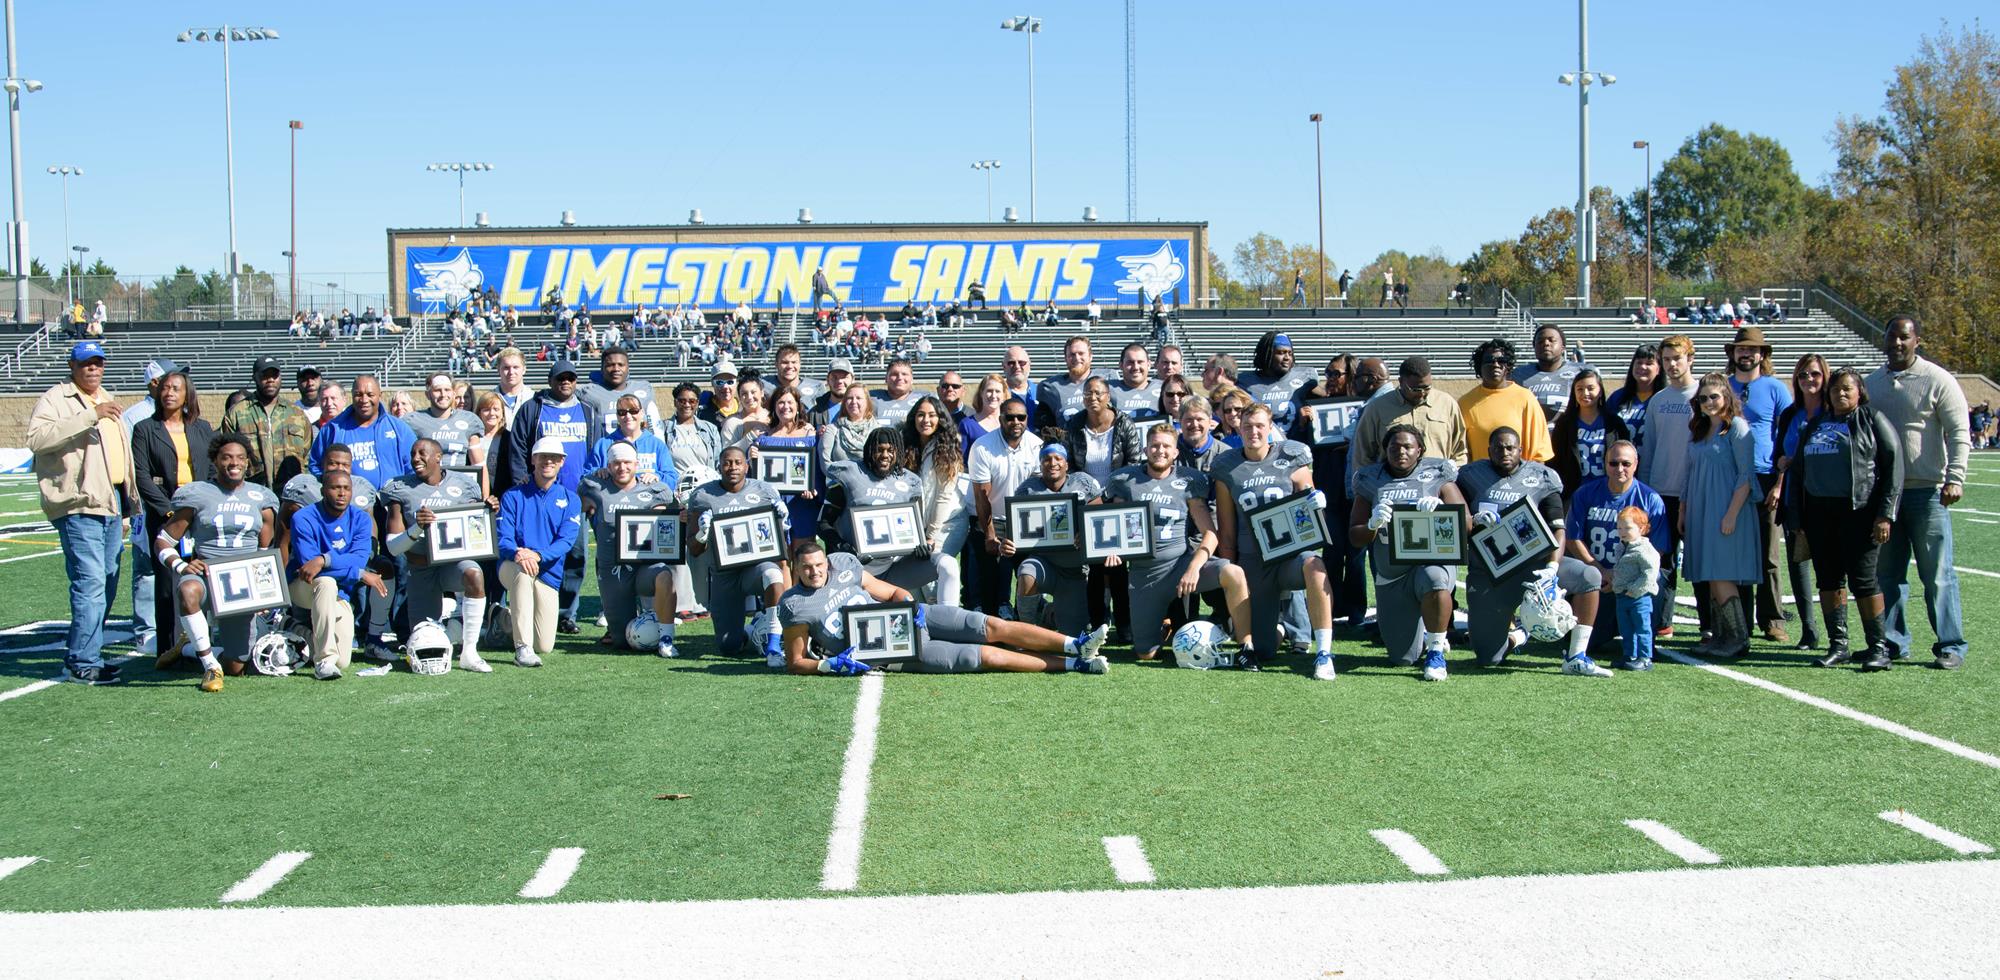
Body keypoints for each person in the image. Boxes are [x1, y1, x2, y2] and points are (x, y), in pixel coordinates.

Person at [777, 541, 1107, 676]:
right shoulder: (795, 605)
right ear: (796, 568)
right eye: (806, 568)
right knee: (985, 657)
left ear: (826, 561)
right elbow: (795, 662)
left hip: (907, 620)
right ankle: (1074, 665)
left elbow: (891, 591)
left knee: (990, 627)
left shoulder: (842, 565)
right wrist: (828, 665)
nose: (815, 571)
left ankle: (1074, 644)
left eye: (818, 564)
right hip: (893, 653)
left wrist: (908, 604)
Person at [1779, 367, 1902, 671]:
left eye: (1848, 388)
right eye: (1835, 389)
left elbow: (1893, 467)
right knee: (1829, 580)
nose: (1841, 394)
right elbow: (1797, 472)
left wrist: (1885, 514)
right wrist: (1797, 518)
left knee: (1864, 580)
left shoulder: (1872, 420)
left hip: (1859, 512)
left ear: (1860, 391)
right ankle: (1839, 645)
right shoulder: (1815, 424)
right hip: (1819, 513)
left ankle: (1878, 647)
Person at [1866, 315, 1970, 669]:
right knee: (1888, 576)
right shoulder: (1873, 383)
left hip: (1927, 493)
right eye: (1891, 336)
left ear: (1917, 341)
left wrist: (1955, 477)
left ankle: (1951, 645)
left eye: (1904, 338)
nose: (1896, 343)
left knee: (1937, 575)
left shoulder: (1938, 379)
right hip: (1885, 497)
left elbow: (1958, 432)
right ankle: (1894, 643)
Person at [30, 341, 135, 685]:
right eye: (85, 363)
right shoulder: (57, 398)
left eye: (97, 363)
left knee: (106, 583)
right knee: (89, 583)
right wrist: (91, 415)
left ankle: (88, 653)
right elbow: (38, 439)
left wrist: (126, 504)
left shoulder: (104, 396)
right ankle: (81, 661)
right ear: (72, 367)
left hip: (110, 505)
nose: (92, 369)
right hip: (78, 505)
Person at [1105, 423, 1256, 662]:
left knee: (1234, 573)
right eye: (1154, 445)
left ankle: (1247, 647)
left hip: (1180, 565)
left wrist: (1193, 568)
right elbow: (1114, 523)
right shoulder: (1126, 479)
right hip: (1145, 575)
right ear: (1145, 449)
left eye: (1166, 446)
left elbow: (1211, 533)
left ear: (1176, 452)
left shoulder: (1187, 480)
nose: (1160, 450)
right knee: (1146, 654)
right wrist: (1113, 548)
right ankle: (1163, 628)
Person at [1457, 427, 1603, 671]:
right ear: (1488, 450)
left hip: (1533, 567)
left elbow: (1558, 528)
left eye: (1510, 447)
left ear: (1520, 450)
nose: (1504, 452)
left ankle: (1576, 656)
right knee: (1488, 658)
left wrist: (1552, 568)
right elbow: (1454, 509)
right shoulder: (1469, 475)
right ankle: (1520, 635)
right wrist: (1472, 519)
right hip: (1489, 573)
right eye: (1498, 447)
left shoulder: (1542, 476)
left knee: (1589, 575)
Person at [1214, 404, 1337, 674]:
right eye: (1247, 426)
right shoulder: (1226, 466)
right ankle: (1278, 626)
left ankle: (1324, 653)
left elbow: (1310, 502)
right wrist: (1232, 573)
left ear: (1271, 428)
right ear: (1238, 428)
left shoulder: (1291, 457)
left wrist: (1317, 501)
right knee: (1263, 650)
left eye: (1259, 426)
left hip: (1289, 557)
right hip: (1253, 561)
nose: (1253, 432)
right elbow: (1227, 530)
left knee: (1315, 565)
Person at [153, 435, 280, 693]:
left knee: (237, 666)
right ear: (215, 460)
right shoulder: (199, 494)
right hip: (208, 573)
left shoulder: (261, 498)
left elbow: (264, 552)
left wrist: (263, 592)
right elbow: (162, 541)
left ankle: (188, 648)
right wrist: (181, 566)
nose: (234, 462)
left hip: (241, 583)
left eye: (240, 457)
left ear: (247, 462)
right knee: (187, 591)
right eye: (226, 457)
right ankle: (210, 664)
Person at [1350, 425, 1464, 679]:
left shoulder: (1437, 473)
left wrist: (1442, 508)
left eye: (1407, 446)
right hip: (1393, 574)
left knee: (1436, 579)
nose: (1401, 452)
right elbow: (1355, 536)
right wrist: (1372, 524)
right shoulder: (1370, 478)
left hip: (1429, 562)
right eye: (1394, 447)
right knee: (1402, 658)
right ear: (1385, 450)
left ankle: (1436, 651)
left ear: (1420, 450)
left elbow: (1465, 524)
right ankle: (1424, 634)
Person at [506, 358, 601, 633]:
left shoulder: (587, 410)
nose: (565, 382)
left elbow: (594, 453)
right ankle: (529, 607)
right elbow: (519, 448)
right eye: (560, 378)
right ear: (550, 381)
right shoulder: (533, 409)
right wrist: (520, 483)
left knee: (575, 555)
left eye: (570, 378)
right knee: (532, 551)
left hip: (575, 499)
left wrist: (590, 492)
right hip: (536, 497)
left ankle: (565, 613)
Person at [382, 439, 492, 671]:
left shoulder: (464, 484)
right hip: (421, 567)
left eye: (422, 453)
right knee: (423, 640)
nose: (415, 458)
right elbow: (393, 546)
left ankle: (470, 652)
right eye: (412, 453)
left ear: (438, 457)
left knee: (474, 574)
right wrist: (416, 528)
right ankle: (451, 621)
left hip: (453, 564)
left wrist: (487, 510)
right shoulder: (399, 488)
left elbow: (474, 527)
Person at [130, 367, 212, 667]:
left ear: (186, 393)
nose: (169, 393)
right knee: (167, 583)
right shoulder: (144, 429)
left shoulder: (203, 428)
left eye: (176, 388)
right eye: (165, 387)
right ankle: (166, 648)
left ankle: (200, 644)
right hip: (165, 515)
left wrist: (204, 506)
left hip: (200, 513)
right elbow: (142, 476)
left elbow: (213, 469)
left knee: (198, 576)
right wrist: (169, 512)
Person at [1563, 440, 1669, 665]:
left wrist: (1623, 575)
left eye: (1625, 463)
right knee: (1586, 641)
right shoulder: (1586, 494)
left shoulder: (1650, 499)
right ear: (1605, 464)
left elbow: (1656, 550)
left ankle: (1644, 646)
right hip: (1596, 574)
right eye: (1613, 463)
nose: (1619, 469)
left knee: (1658, 577)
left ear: (1636, 464)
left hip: (1633, 576)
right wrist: (1599, 570)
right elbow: (1573, 538)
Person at [686, 446, 792, 659]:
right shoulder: (703, 495)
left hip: (756, 567)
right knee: (729, 647)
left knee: (773, 574)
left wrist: (782, 523)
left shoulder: (764, 491)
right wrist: (702, 534)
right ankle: (753, 629)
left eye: (737, 462)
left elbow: (780, 552)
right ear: (719, 466)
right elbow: (694, 550)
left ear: (746, 466)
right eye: (727, 462)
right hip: (724, 574)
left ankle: (773, 645)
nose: (732, 467)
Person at [1681, 374, 1760, 658]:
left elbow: (1746, 475)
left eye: (1714, 396)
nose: (1709, 402)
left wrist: (1731, 514)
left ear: (1727, 397)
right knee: (1711, 575)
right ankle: (1721, 635)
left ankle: (1738, 638)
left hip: (1726, 510)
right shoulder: (1699, 430)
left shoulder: (1737, 428)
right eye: (1703, 398)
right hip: (1701, 509)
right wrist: (1683, 508)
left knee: (1722, 573)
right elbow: (1689, 473)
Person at [1724, 326, 1795, 642]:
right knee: (1737, 552)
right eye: (1741, 349)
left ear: (1762, 355)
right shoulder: (1724, 387)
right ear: (1733, 354)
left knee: (1768, 554)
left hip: (1766, 476)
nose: (1746, 354)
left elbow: (1787, 438)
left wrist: (1780, 483)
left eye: (1753, 350)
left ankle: (1772, 619)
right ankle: (1739, 619)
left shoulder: (1776, 389)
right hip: (1731, 475)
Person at [580, 442, 682, 657]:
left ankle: (666, 638)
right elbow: (580, 499)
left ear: (637, 464)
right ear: (608, 465)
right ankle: (638, 623)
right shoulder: (595, 485)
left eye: (627, 462)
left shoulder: (655, 489)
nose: (622, 467)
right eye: (616, 463)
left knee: (665, 575)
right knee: (622, 641)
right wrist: (595, 474)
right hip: (613, 568)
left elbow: (669, 517)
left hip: (645, 564)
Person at [288, 469, 388, 680]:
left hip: (340, 591)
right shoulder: (303, 517)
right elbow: (309, 567)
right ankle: (324, 660)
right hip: (303, 586)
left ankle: (290, 627)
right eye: (335, 488)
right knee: (325, 581)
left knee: (343, 661)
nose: (341, 493)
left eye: (346, 488)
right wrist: (360, 574)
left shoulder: (361, 519)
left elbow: (360, 560)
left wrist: (325, 560)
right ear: (323, 491)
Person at [497, 437, 583, 667]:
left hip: (547, 572)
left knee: (544, 646)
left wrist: (538, 556)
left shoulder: (571, 499)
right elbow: (503, 538)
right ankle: (522, 648)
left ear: (562, 461)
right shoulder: (513, 496)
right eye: (543, 456)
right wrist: (518, 554)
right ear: (533, 459)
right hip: (513, 565)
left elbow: (566, 541)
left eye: (554, 457)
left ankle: (501, 617)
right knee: (523, 575)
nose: (548, 461)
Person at [820, 427, 937, 594]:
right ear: (869, 450)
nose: (885, 455)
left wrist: (921, 548)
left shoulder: (910, 482)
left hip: (892, 567)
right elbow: (822, 524)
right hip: (851, 570)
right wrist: (844, 547)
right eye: (879, 450)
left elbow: (915, 531)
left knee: (944, 565)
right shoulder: (849, 474)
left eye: (891, 450)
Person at [1767, 354, 1830, 651]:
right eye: (1803, 375)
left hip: (1829, 499)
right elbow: (1778, 453)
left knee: (1830, 568)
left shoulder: (1834, 412)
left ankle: (1836, 633)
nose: (1809, 381)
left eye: (1815, 375)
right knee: (1799, 567)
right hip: (1796, 500)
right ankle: (1809, 630)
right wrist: (1781, 463)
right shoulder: (1792, 413)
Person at [1009, 444, 1105, 635]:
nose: (1052, 463)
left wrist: (1085, 532)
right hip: (1044, 563)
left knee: (1073, 635)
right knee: (1026, 572)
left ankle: (1049, 613)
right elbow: (1016, 531)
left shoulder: (1083, 482)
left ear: (1066, 464)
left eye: (1057, 458)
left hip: (1075, 570)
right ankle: (1027, 632)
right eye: (1046, 459)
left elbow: (1098, 518)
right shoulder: (1028, 488)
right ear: (1040, 464)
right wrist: (1008, 543)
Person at [969, 397, 1043, 615]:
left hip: (1026, 522)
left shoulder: (1036, 445)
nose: (1016, 422)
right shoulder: (982, 447)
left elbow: (1038, 493)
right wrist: (990, 535)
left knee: (1028, 577)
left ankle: (1027, 624)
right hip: (994, 519)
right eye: (1010, 417)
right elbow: (982, 497)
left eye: (1021, 417)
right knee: (990, 583)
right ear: (1000, 419)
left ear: (1027, 419)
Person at [1349, 357, 1469, 480]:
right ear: (1401, 382)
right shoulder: (1377, 408)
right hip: (1391, 488)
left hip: (1438, 485)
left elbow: (1459, 451)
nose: (1422, 393)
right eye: (1415, 389)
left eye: (1427, 388)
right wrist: (1368, 486)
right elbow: (1362, 455)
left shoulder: (1447, 403)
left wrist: (1453, 478)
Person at [906, 395, 970, 606]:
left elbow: (943, 497)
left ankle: (947, 627)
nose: (926, 420)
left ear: (940, 419)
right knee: (913, 583)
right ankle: (924, 631)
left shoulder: (947, 448)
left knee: (932, 578)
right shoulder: (909, 447)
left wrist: (931, 536)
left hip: (947, 524)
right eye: (921, 415)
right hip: (919, 527)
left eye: (932, 415)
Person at [221, 355, 313, 490]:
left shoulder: (297, 414)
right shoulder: (237, 413)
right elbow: (225, 455)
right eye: (265, 376)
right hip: (251, 491)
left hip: (291, 493)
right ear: (255, 378)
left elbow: (307, 456)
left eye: (274, 376)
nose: (270, 380)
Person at [309, 374, 416, 486]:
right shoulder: (332, 429)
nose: (364, 400)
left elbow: (412, 467)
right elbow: (315, 465)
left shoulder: (399, 428)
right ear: (352, 395)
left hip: (392, 500)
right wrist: (331, 485)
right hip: (348, 501)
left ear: (380, 395)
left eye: (370, 395)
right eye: (358, 394)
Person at [1460, 338, 1551, 464]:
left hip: (1519, 477)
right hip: (1480, 479)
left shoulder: (1525, 398)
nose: (1496, 365)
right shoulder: (1465, 403)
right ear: (1479, 366)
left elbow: (1539, 452)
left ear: (1508, 366)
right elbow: (1460, 452)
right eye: (1489, 361)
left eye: (1501, 361)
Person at [754, 385, 822, 544]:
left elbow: (817, 471)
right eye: (781, 402)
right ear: (774, 407)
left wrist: (814, 490)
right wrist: (752, 457)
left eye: (790, 402)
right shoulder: (764, 438)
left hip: (802, 503)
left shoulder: (811, 435)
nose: (785, 407)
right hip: (774, 503)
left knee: (803, 556)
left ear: (798, 406)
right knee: (780, 559)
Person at [1549, 369, 1630, 498]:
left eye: (1590, 388)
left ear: (1600, 391)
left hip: (1608, 491)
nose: (1585, 393)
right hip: (1574, 493)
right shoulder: (1565, 424)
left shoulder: (1614, 423)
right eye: (1580, 389)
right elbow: (1555, 460)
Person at [1610, 507, 1663, 671]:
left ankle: (1645, 657)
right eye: (1619, 528)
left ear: (1641, 528)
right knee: (1626, 629)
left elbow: (1650, 573)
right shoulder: (1622, 546)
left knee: (1642, 628)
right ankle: (1629, 655)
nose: (1622, 532)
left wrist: (1635, 589)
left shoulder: (1645, 550)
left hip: (1639, 597)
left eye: (1628, 528)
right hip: (1621, 596)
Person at [1235, 331, 1316, 432]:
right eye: (1281, 353)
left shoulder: (1305, 377)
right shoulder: (1244, 382)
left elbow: (1329, 397)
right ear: (1266, 354)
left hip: (1296, 442)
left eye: (1290, 353)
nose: (1287, 357)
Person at [1512, 324, 1592, 424]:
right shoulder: (1519, 375)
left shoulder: (1581, 371)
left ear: (1563, 347)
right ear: (1534, 347)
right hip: (1532, 436)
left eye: (1551, 340)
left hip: (1570, 436)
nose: (1546, 343)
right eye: (1540, 341)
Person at [578, 346, 660, 440]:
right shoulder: (588, 393)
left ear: (628, 367)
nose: (616, 368)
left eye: (621, 365)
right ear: (602, 368)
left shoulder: (644, 389)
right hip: (606, 451)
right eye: (610, 365)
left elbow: (655, 427)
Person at [403, 371, 482, 469]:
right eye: (437, 390)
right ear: (427, 394)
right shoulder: (413, 420)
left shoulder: (469, 419)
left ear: (453, 393)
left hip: (458, 481)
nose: (443, 394)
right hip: (425, 483)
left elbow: (479, 466)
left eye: (447, 390)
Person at [1602, 344, 1662, 449]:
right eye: (1639, 362)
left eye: (1649, 363)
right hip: (1622, 463)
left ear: (1659, 369)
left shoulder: (1664, 399)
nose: (1642, 367)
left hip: (1654, 462)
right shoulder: (1617, 397)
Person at [1034, 336, 1099, 431]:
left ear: (1090, 356)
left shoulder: (1106, 379)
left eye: (1081, 353)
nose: (1076, 358)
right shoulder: (1051, 386)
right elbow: (1043, 426)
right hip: (1067, 443)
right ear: (1065, 358)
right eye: (1072, 354)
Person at [822, 384, 888, 472]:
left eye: (858, 398)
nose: (854, 401)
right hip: (840, 483)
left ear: (867, 402)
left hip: (871, 482)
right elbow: (825, 464)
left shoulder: (878, 431)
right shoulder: (832, 430)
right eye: (849, 398)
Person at [1111, 343, 1161, 420]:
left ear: (1149, 364)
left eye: (1140, 362)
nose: (1136, 367)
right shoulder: (1109, 390)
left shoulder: (1164, 389)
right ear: (1121, 365)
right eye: (1130, 362)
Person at [1175, 395, 1226, 473]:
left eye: (1199, 419)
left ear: (1209, 420)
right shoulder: (1169, 452)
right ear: (1180, 421)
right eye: (1189, 419)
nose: (1195, 424)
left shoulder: (1224, 454)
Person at [960, 373, 1008, 452]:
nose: (993, 395)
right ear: (981, 393)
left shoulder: (1013, 421)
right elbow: (961, 460)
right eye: (989, 391)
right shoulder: (967, 425)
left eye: (998, 391)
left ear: (1004, 396)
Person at [871, 358, 924, 424]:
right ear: (886, 378)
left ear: (912, 379)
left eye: (904, 374)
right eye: (894, 374)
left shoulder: (922, 400)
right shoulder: (871, 399)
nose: (900, 378)